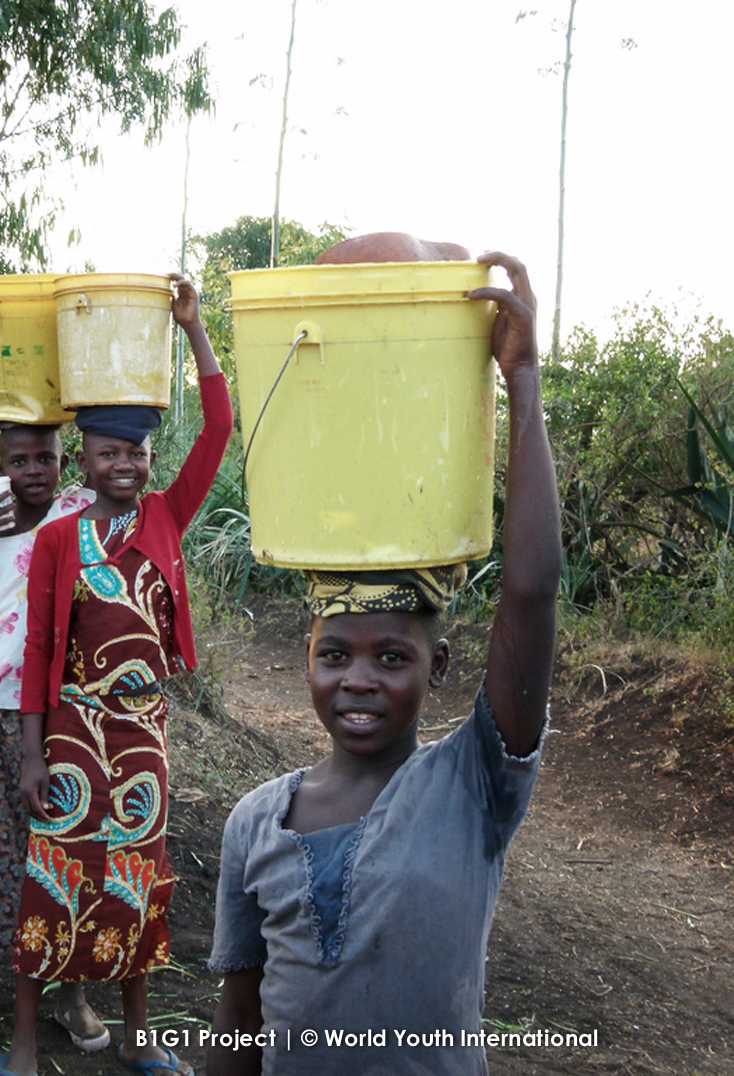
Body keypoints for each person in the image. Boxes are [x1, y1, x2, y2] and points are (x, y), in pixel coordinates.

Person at [205, 252, 563, 1076]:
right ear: (307, 657)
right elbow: (236, 1029)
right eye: (334, 654)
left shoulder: (474, 784)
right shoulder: (254, 824)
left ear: (440, 669)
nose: (357, 679)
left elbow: (532, 593)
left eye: (392, 657)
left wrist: (525, 384)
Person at [7, 274, 234, 1076]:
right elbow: (38, 652)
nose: (125, 465)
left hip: (143, 734)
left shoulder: (168, 516)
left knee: (140, 878)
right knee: (52, 875)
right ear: (89, 459)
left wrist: (194, 327)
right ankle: (27, 1042)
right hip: (71, 730)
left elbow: (220, 427)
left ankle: (139, 1037)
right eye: (109, 452)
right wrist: (34, 753)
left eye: (136, 452)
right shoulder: (61, 540)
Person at [0, 424, 109, 1054]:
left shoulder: (75, 511)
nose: (34, 470)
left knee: (62, 847)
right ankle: (20, 986)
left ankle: (71, 993)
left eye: (46, 457)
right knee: (12, 853)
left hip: (51, 709)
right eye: (18, 460)